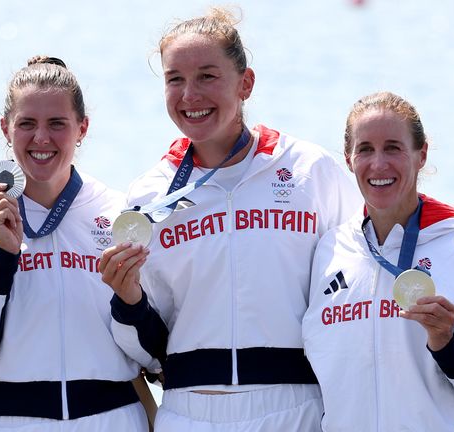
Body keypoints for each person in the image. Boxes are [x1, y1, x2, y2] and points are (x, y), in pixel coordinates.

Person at [98, 7, 360, 431]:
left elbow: (356, 285)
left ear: (246, 83)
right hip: (188, 411)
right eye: (175, 80)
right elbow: (148, 345)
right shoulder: (149, 194)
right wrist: (127, 299)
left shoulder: (310, 170)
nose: (190, 95)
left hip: (296, 407)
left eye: (207, 76)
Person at [0, 56, 150, 431]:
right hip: (9, 420)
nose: (41, 138)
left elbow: (152, 355)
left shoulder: (118, 213)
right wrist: (3, 261)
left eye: (57, 124)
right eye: (26, 124)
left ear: (83, 127)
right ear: (5, 129)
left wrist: (133, 301)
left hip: (112, 419)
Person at [301, 91, 454, 431]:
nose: (379, 164)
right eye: (365, 149)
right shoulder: (330, 250)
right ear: (348, 159)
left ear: (421, 154)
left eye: (393, 148)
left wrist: (448, 346)